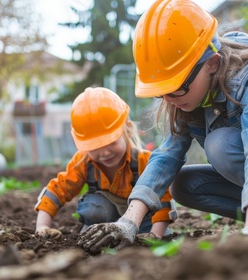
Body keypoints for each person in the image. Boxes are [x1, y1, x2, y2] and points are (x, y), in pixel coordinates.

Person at [79, 0, 248, 253]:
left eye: (177, 88)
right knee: (184, 184)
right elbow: (166, 157)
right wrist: (128, 221)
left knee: (220, 144)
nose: (170, 100)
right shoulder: (186, 100)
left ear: (212, 63)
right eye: (161, 92)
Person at [34, 87, 176, 241]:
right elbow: (58, 190)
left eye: (111, 142)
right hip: (102, 220)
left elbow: (162, 200)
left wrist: (155, 235)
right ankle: (94, 232)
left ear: (127, 129)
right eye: (94, 147)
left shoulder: (145, 161)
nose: (105, 153)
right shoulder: (83, 161)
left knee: (159, 228)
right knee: (95, 208)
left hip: (142, 223)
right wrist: (42, 226)